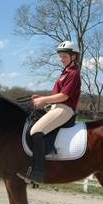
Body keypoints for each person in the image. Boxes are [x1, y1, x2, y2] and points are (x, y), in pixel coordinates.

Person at [26, 40, 81, 183]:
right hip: (56, 107)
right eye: (60, 56)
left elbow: (64, 96)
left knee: (36, 131)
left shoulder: (74, 73)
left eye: (64, 56)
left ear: (73, 57)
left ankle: (39, 172)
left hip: (65, 109)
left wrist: (43, 100)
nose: (61, 59)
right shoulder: (65, 73)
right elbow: (56, 96)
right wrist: (41, 99)